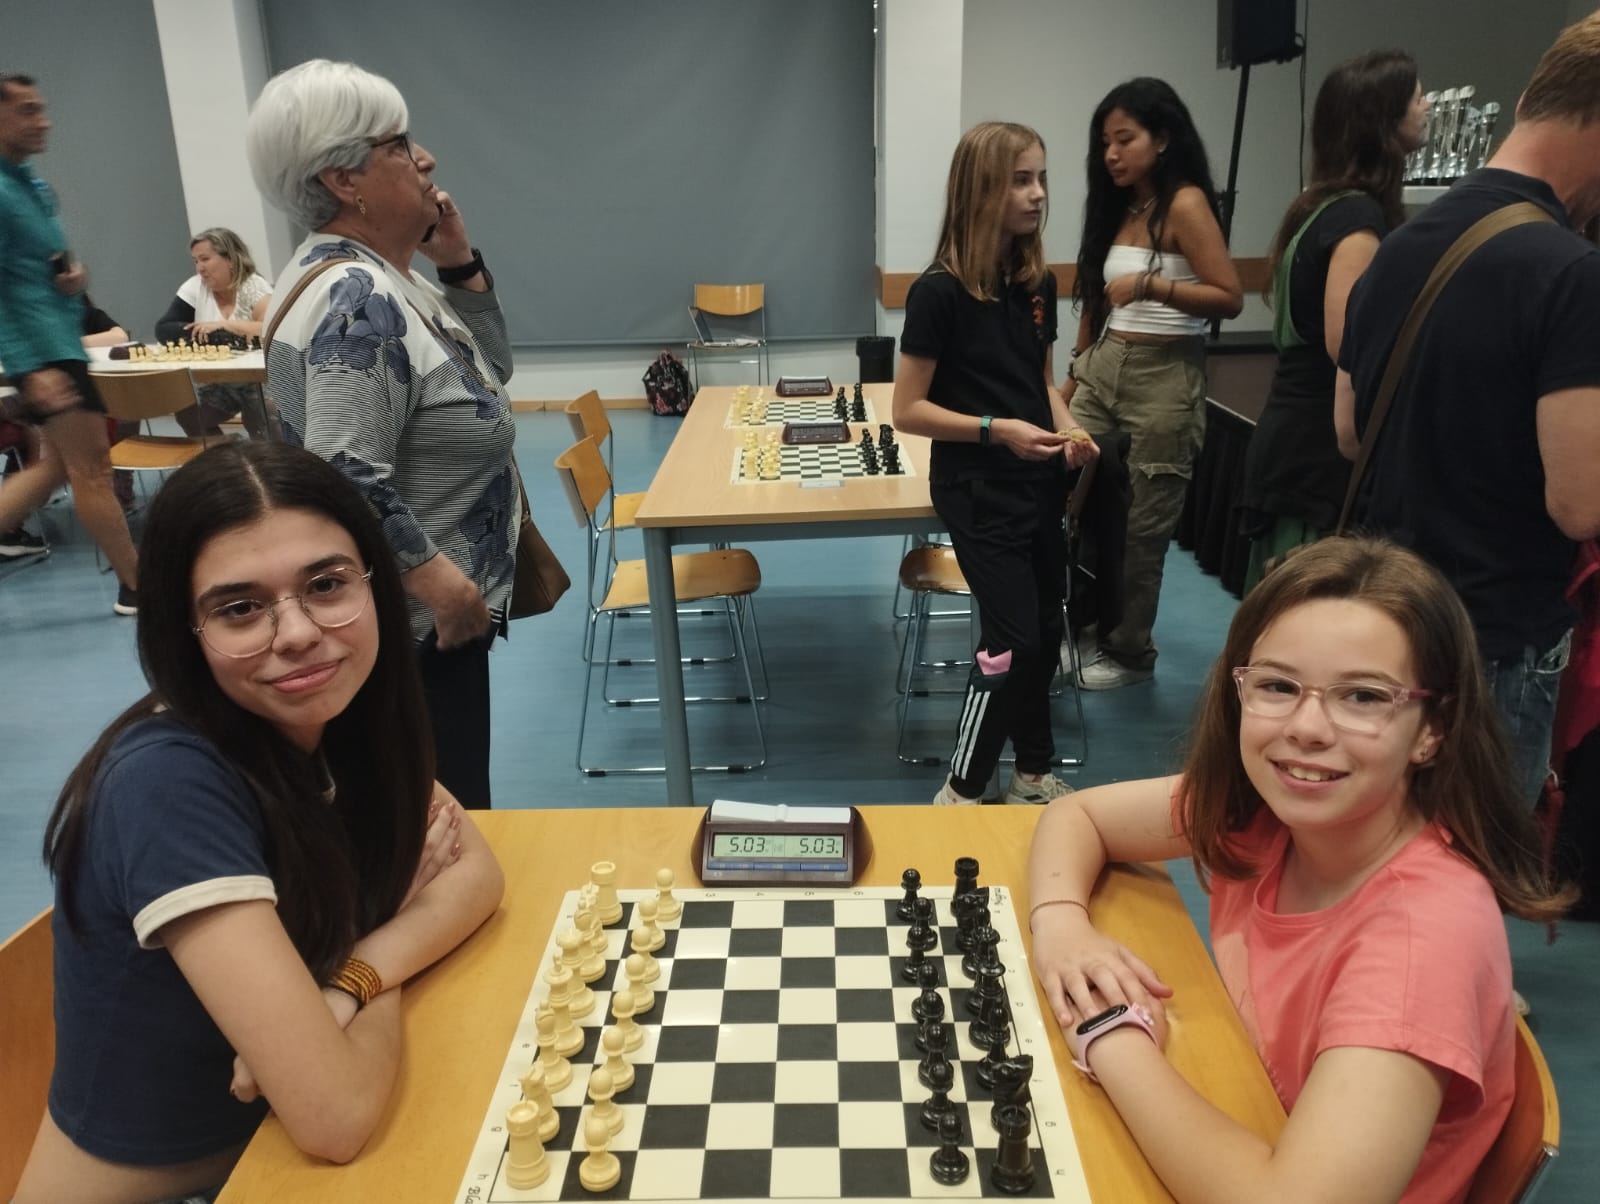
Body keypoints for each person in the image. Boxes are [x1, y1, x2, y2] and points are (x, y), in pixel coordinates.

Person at [13, 441, 504, 1203]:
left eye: (327, 584)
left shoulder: (333, 713)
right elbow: (335, 1116)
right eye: (240, 608)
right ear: (185, 628)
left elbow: (476, 872)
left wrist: (347, 981)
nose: (299, 631)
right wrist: (388, 935)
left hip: (274, 1162)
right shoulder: (167, 783)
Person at [1027, 536, 1570, 1203]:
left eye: (1364, 697)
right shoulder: (1268, 811)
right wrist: (1060, 925)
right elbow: (1076, 817)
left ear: (1433, 728)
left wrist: (1110, 1035)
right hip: (1248, 1118)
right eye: (1278, 686)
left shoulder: (1419, 944)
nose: (1308, 727)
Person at [1336, 13, 1600, 807]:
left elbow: (1349, 434)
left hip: (1389, 619)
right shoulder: (1572, 273)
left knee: (1385, 870)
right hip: (1497, 638)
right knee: (1470, 887)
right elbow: (1579, 500)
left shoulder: (1400, 243)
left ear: (1527, 98)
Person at [245, 60, 518, 808]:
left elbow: (491, 371)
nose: (425, 159)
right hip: (415, 632)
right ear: (343, 178)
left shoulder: (382, 275)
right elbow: (342, 472)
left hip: (432, 620)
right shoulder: (355, 298)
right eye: (399, 145)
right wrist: (442, 585)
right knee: (440, 828)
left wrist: (457, 259)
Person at [892, 121, 1098, 808]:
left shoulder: (1036, 282)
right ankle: (961, 789)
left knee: (1041, 632)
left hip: (1035, 481)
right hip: (977, 487)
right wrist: (993, 430)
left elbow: (1039, 382)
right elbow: (908, 410)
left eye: (1042, 177)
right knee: (1010, 640)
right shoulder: (938, 294)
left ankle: (1032, 774)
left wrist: (1067, 426)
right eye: (1020, 179)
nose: (1039, 194)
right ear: (981, 189)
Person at [1065, 78, 1243, 690]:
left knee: (1142, 525)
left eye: (1125, 139)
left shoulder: (1185, 204)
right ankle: (1083, 624)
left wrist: (1151, 286)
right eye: (1104, 142)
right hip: (1104, 363)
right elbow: (1094, 295)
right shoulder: (1120, 204)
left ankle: (1130, 651)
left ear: (1162, 139)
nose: (1111, 153)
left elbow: (1229, 297)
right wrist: (1072, 376)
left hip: (1166, 374)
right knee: (1072, 500)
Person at [1238, 52, 1428, 591]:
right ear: (1383, 118)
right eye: (1417, 97)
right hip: (1316, 449)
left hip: (1294, 438)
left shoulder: (1320, 205)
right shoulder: (1358, 218)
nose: (1427, 106)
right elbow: (1350, 345)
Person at [0, 72, 139, 613]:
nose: (45, 121)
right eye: (29, 111)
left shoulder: (26, 183)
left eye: (43, 108)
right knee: (92, 471)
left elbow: (40, 260)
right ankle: (136, 585)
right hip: (45, 354)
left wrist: (71, 277)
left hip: (61, 341)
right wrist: (28, 366)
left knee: (56, 469)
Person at [154, 226, 274, 438]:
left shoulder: (253, 285)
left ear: (230, 259)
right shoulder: (195, 287)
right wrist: (212, 336)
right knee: (189, 414)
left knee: (263, 426)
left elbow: (269, 327)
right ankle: (229, 457)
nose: (199, 268)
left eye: (205, 259)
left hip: (259, 381)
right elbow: (164, 328)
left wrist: (226, 326)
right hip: (222, 381)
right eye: (195, 261)